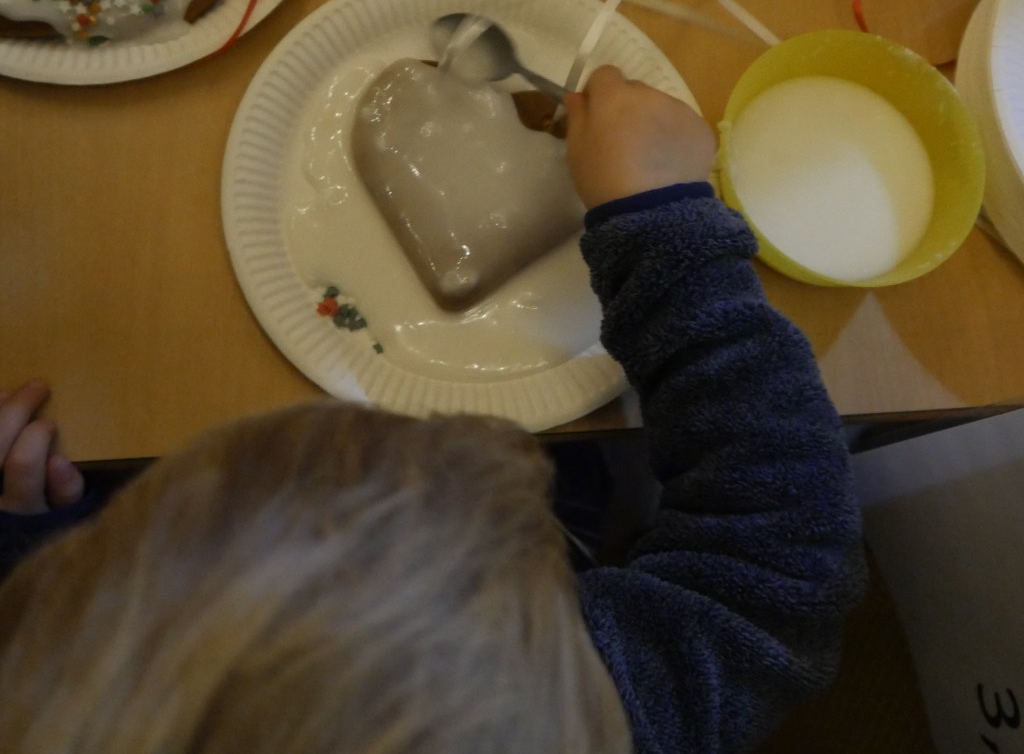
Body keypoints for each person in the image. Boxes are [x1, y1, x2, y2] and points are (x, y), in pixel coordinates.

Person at [0, 65, 866, 754]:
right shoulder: (591, 715)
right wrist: (664, 226)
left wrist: (39, 561)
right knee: (571, 473)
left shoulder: (61, 694)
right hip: (572, 506)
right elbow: (779, 567)